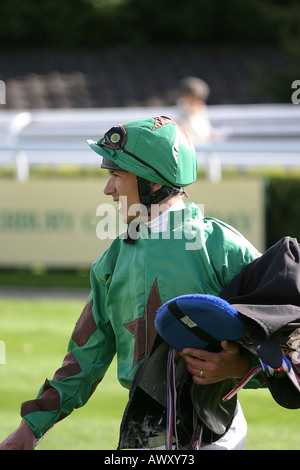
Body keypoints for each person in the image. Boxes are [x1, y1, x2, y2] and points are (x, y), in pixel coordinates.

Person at [0, 116, 261, 451]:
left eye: (116, 174)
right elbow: (85, 357)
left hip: (215, 434)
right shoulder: (111, 260)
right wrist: (31, 427)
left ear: (152, 183)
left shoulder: (221, 246)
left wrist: (239, 364)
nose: (107, 189)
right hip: (141, 434)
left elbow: (286, 337)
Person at [176, 76, 214, 145]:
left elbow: (208, 133)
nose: (200, 101)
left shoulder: (201, 111)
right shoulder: (181, 116)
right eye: (197, 97)